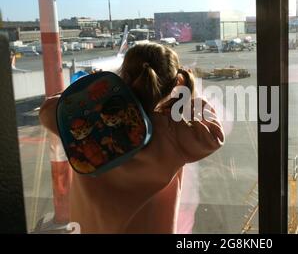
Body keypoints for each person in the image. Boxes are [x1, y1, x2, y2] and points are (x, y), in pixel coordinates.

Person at [39, 43, 225, 233]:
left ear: (123, 77)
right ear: (173, 84)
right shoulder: (174, 132)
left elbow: (48, 110)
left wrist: (95, 88)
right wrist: (188, 100)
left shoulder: (90, 121)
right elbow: (213, 135)